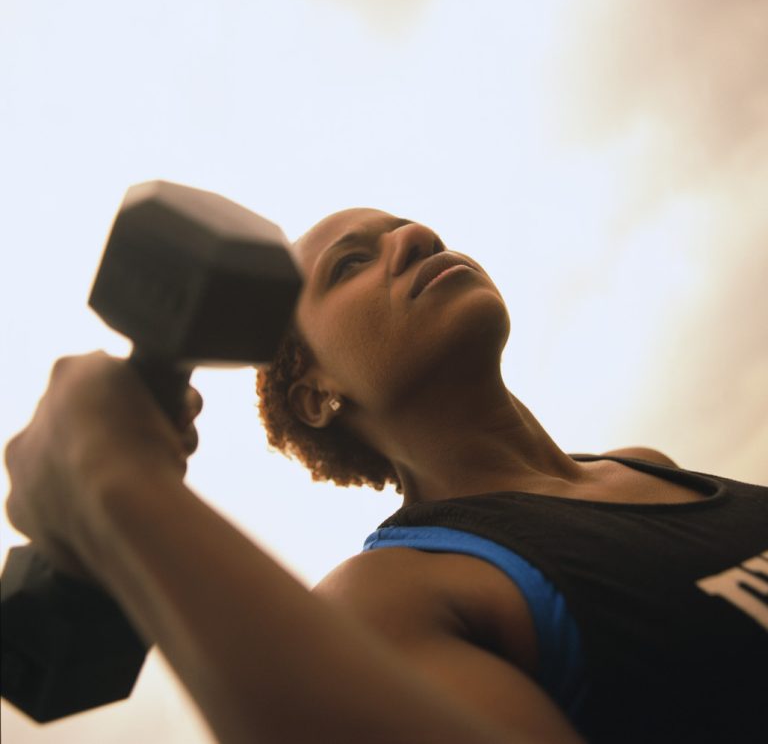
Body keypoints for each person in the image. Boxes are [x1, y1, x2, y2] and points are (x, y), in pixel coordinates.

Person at [4, 208, 767, 743]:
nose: (414, 235)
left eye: (404, 225)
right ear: (315, 392)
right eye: (351, 263)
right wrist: (114, 482)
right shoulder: (396, 598)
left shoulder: (651, 466)